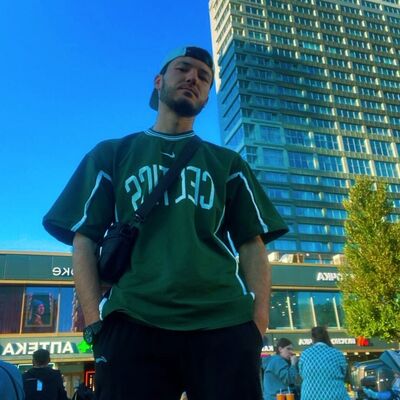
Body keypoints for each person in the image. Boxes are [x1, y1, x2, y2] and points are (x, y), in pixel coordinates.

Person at [42, 45, 289, 400]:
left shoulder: (227, 163)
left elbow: (252, 243)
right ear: (158, 81)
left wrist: (257, 323)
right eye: (183, 68)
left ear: (207, 97)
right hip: (133, 321)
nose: (193, 78)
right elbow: (84, 239)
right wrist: (96, 323)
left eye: (204, 77)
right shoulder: (111, 154)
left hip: (223, 322)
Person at [299, 326, 350, 400]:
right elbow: (344, 373)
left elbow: (301, 374)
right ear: (327, 337)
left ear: (312, 338)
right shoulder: (337, 354)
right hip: (335, 395)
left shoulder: (304, 354)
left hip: (309, 396)